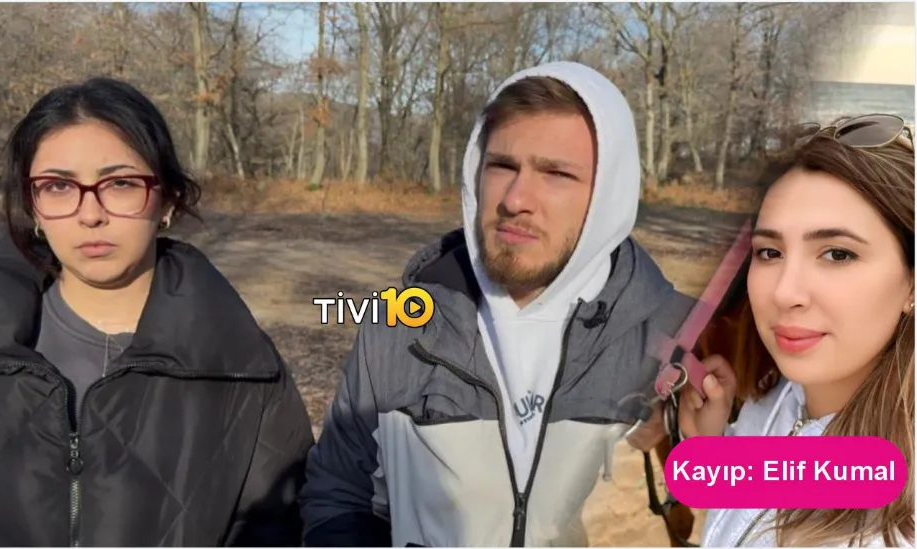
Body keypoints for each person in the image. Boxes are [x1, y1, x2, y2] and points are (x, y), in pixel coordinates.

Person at [298, 61, 693, 547]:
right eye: (502, 166)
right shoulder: (397, 327)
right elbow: (338, 494)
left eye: (556, 173)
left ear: (608, 195)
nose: (515, 199)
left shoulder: (690, 340)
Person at [0, 77, 314, 546]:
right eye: (58, 186)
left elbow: (277, 530)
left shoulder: (244, 371)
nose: (91, 214)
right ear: (33, 206)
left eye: (121, 183)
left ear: (167, 199)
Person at [678, 114, 915, 547]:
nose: (784, 293)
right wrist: (712, 444)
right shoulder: (779, 396)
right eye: (769, 252)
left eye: (838, 254)